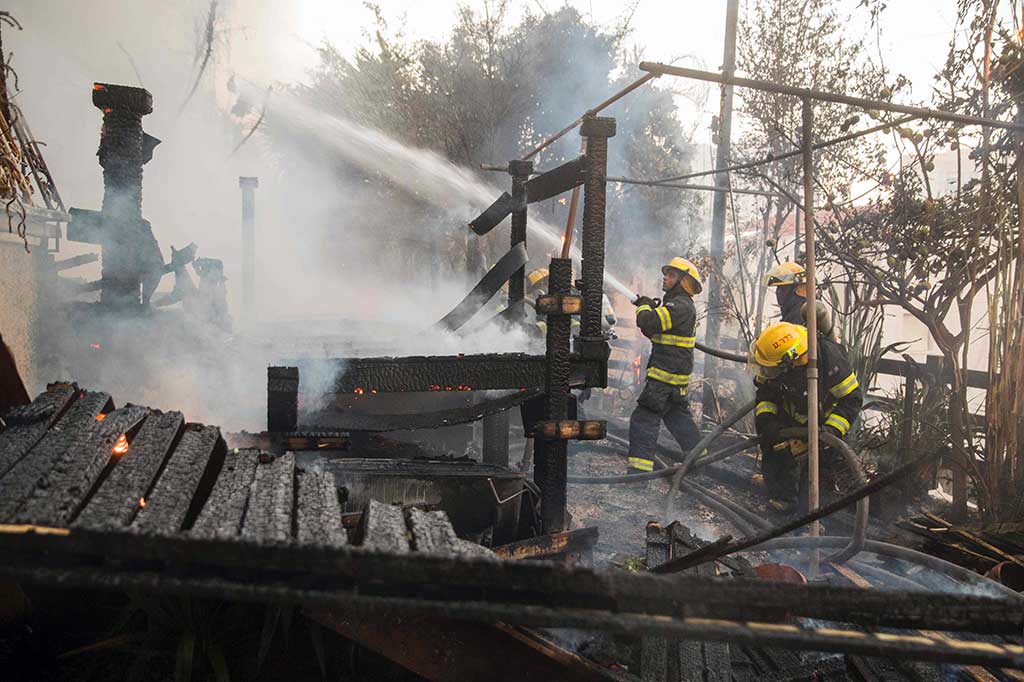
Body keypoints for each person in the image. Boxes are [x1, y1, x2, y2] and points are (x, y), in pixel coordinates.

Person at [749, 321, 862, 510]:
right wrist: (767, 422)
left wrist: (829, 432)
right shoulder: (774, 364)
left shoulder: (829, 359)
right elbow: (765, 393)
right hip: (790, 416)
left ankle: (813, 519)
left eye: (769, 368)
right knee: (774, 451)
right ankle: (781, 502)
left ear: (791, 360)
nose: (765, 373)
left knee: (818, 473)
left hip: (822, 422)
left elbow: (851, 400)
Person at [627, 257, 702, 474]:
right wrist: (647, 307)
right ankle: (699, 461)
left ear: (683, 281)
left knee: (644, 418)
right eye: (666, 274)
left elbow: (649, 322)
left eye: (671, 275)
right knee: (676, 417)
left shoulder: (679, 306)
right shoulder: (679, 305)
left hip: (664, 376)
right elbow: (652, 330)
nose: (666, 278)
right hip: (673, 376)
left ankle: (638, 471)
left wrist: (643, 308)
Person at [764, 261, 833, 337]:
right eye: (777, 288)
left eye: (783, 288)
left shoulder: (801, 312)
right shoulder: (791, 310)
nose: (778, 292)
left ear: (796, 289)